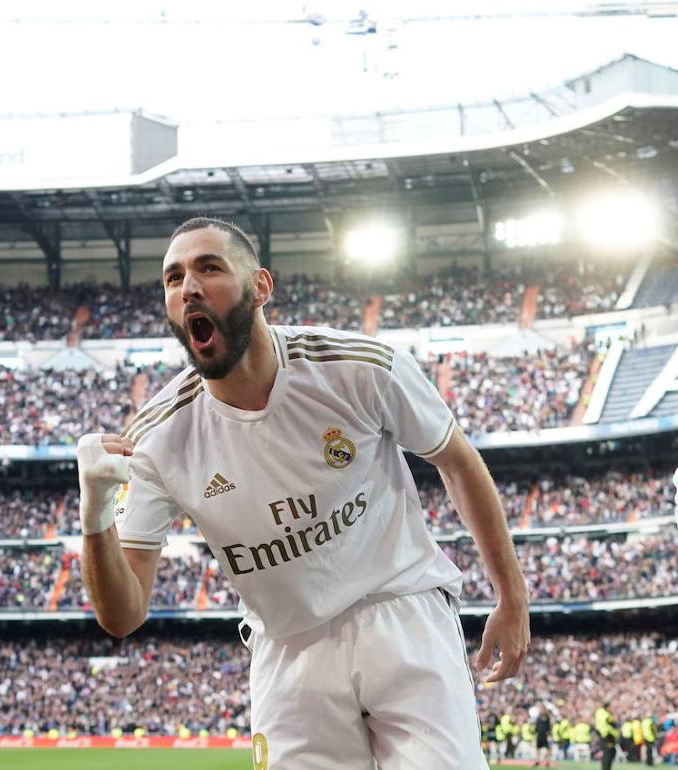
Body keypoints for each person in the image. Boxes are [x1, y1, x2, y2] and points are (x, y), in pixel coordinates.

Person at [78, 217, 530, 769]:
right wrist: (95, 514)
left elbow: (457, 461)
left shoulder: (358, 369)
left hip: (401, 610)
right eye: (173, 279)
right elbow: (122, 616)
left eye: (209, 268)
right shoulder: (156, 440)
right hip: (287, 648)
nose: (188, 287)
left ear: (261, 286)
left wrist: (511, 595)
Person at [595, 703, 618, 770]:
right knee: (608, 754)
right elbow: (611, 723)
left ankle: (605, 768)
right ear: (607, 707)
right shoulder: (606, 714)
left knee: (605, 753)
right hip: (608, 735)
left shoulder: (599, 712)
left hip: (602, 734)